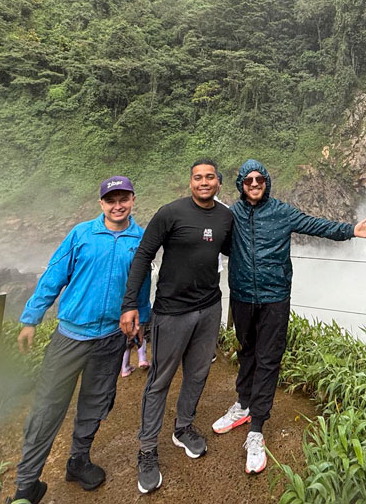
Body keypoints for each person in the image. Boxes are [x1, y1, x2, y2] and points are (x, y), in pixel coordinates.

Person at [211, 159, 366, 475]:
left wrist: (351, 231)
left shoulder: (282, 212)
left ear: (267, 181)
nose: (254, 184)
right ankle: (243, 405)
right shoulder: (231, 215)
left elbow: (317, 225)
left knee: (268, 358)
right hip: (244, 298)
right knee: (246, 352)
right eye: (248, 181)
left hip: (275, 297)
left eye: (259, 178)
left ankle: (257, 428)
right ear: (240, 185)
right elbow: (207, 239)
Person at [8, 176, 150, 504]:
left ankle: (78, 460)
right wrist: (31, 318)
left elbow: (142, 285)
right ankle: (27, 483)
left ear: (132, 199)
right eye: (111, 199)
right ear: (101, 203)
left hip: (111, 339)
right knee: (47, 408)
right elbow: (54, 275)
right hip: (70, 336)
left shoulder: (140, 239)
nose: (118, 205)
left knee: (96, 403)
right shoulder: (81, 234)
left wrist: (142, 317)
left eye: (123, 198)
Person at [120, 159, 233, 495]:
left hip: (210, 308)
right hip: (171, 311)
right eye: (197, 177)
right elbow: (143, 255)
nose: (203, 182)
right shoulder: (170, 213)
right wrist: (130, 305)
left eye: (209, 177)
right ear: (190, 182)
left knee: (197, 375)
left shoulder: (225, 216)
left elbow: (231, 249)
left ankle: (183, 428)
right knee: (159, 381)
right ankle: (147, 450)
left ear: (218, 182)